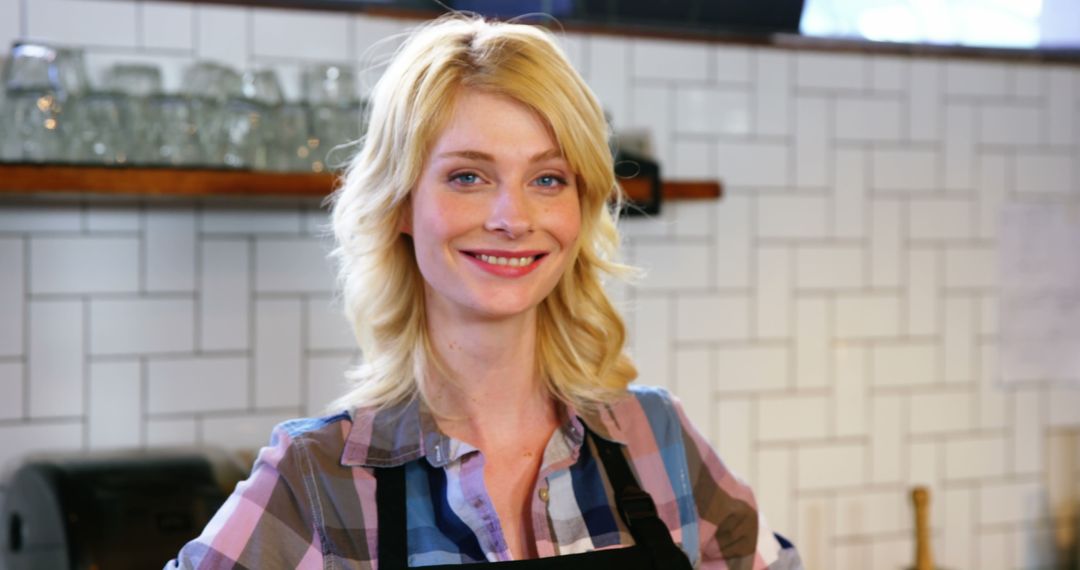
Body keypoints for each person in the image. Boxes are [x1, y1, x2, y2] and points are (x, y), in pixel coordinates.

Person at [167, 14, 802, 569]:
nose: (513, 216)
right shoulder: (319, 479)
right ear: (401, 205)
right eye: (468, 176)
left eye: (548, 178)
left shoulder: (655, 436)